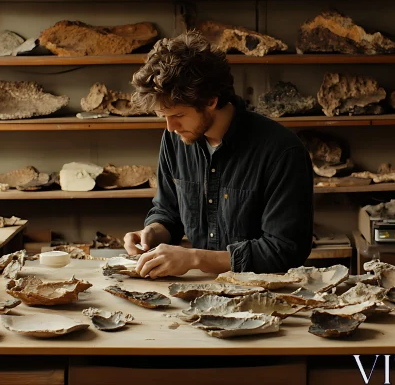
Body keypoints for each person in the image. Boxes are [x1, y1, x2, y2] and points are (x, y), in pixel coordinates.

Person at [124, 30, 314, 278]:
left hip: (264, 296)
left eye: (178, 115)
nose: (170, 127)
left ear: (211, 101)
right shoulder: (175, 138)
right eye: (164, 116)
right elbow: (169, 211)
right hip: (197, 290)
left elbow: (284, 250)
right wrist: (153, 232)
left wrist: (194, 258)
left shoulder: (281, 152)